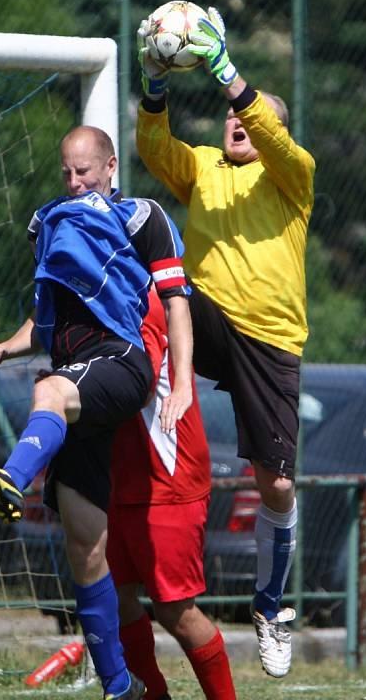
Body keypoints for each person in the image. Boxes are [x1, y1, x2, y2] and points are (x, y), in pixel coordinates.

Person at [0, 125, 193, 700]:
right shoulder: (51, 224)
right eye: (66, 171)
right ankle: (119, 684)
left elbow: (176, 301)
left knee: (49, 393)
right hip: (78, 372)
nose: (74, 180)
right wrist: (7, 346)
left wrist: (181, 382)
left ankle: (11, 479)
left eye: (84, 171)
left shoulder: (141, 217)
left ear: (111, 167)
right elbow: (48, 321)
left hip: (121, 363)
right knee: (84, 544)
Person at [135, 6, 316, 679]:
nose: (238, 121)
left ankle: (270, 605)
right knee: (155, 291)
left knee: (276, 484)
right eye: (232, 117)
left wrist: (228, 73)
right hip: (207, 318)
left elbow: (266, 125)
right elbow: (156, 150)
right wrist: (156, 85)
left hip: (270, 339)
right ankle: (117, 386)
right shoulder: (206, 167)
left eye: (253, 118)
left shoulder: (292, 174)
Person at [108, 287, 236, 700]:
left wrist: (67, 392)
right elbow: (44, 321)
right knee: (113, 596)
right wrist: (7, 347)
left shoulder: (136, 297)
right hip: (119, 476)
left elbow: (139, 387)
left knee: (174, 609)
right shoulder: (83, 285)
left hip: (167, 476)